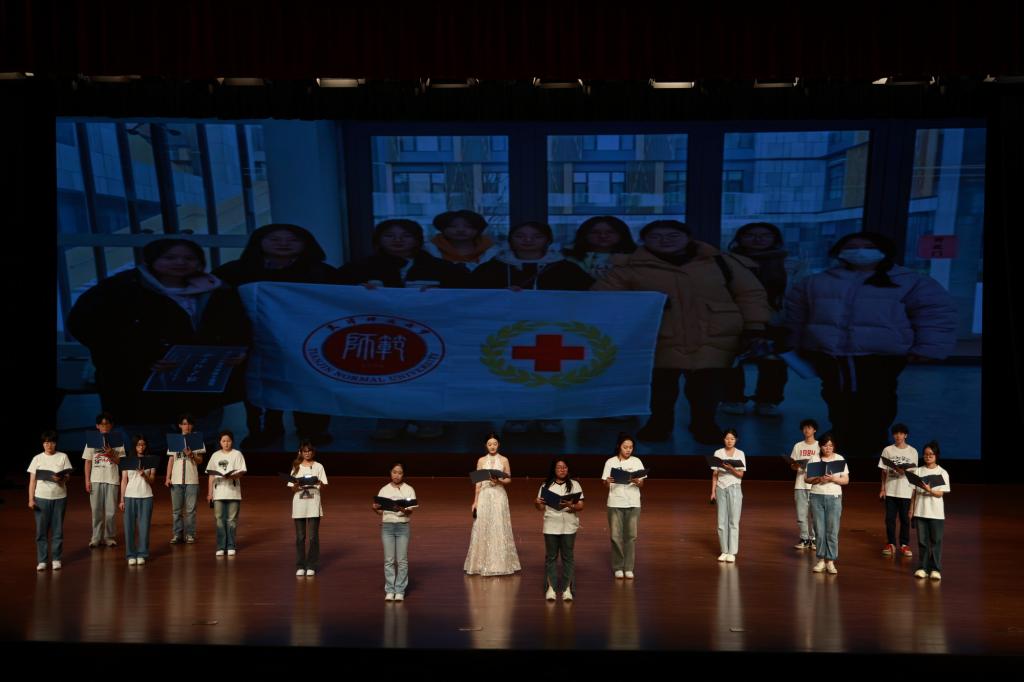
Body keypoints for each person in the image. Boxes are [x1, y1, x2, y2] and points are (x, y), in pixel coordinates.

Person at [593, 220, 771, 444]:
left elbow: (750, 294)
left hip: (714, 333)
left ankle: (705, 424)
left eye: (672, 235)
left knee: (707, 387)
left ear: (688, 238)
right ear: (644, 240)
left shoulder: (721, 261)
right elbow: (604, 298)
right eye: (656, 236)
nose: (664, 240)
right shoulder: (628, 266)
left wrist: (755, 325)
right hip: (658, 335)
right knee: (660, 388)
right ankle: (659, 423)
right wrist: (643, 302)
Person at [784, 231, 957, 458]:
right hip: (831, 353)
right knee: (837, 396)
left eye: (867, 246)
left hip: (881, 354)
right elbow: (795, 316)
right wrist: (792, 344)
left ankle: (869, 439)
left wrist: (928, 348)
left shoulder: (911, 281)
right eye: (851, 246)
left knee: (878, 397)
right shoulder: (816, 282)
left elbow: (934, 315)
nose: (859, 251)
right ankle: (846, 435)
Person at [67, 238, 250, 430]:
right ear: (151, 259)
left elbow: (238, 325)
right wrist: (141, 357)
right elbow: (87, 326)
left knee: (199, 433)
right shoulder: (119, 288)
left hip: (199, 378)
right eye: (170, 257)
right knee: (149, 436)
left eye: (189, 258)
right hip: (139, 380)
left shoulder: (216, 288)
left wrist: (238, 350)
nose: (180, 262)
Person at [337, 219, 468, 440]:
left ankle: (429, 418)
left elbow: (469, 293)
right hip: (381, 334)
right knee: (386, 376)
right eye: (389, 236)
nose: (397, 240)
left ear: (418, 239)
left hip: (432, 334)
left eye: (406, 236)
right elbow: (332, 291)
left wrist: (442, 293)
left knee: (429, 376)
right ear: (378, 240)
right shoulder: (358, 268)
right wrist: (355, 291)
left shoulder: (442, 267)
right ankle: (390, 418)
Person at [213, 223, 339, 448]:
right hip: (254, 339)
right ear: (259, 242)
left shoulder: (323, 272)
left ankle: (312, 430)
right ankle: (264, 430)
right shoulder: (234, 271)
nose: (283, 244)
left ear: (306, 244)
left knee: (310, 384)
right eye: (275, 239)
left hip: (307, 341)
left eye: (292, 240)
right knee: (260, 384)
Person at [471, 221, 594, 434]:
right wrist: (498, 294)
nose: (528, 240)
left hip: (554, 334)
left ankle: (550, 415)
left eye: (536, 236)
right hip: (506, 334)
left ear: (548, 240)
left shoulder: (567, 268)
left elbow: (591, 297)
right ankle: (516, 414)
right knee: (512, 374)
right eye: (520, 235)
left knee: (551, 375)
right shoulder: (492, 267)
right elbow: (470, 296)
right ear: (510, 239)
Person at [720, 222, 790, 417]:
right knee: (730, 361)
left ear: (775, 239)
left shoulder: (789, 263)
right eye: (751, 235)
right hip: (735, 317)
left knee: (774, 363)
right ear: (739, 239)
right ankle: (732, 398)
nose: (758, 239)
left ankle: (768, 400)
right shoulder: (725, 261)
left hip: (774, 320)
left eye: (765, 235)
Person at [464, 433, 521, 576]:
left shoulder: (504, 459)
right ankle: (480, 563)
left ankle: (500, 563)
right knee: (483, 525)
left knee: (499, 525)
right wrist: (475, 501)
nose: (492, 446)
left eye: (495, 444)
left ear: (498, 444)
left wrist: (499, 481)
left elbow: (509, 479)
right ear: (486, 446)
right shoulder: (481, 460)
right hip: (484, 495)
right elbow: (477, 482)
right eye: (489, 444)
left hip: (499, 495)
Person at [534, 458, 585, 601]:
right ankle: (551, 588)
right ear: (554, 469)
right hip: (551, 524)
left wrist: (570, 505)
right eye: (559, 467)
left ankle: (567, 589)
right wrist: (536, 502)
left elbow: (581, 506)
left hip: (569, 525)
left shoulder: (575, 484)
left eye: (564, 467)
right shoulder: (546, 485)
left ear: (568, 469)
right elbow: (540, 507)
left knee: (568, 557)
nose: (562, 470)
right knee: (551, 557)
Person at [602, 433, 646, 579]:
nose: (628, 450)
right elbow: (604, 483)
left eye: (630, 447)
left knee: (631, 536)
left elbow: (642, 483)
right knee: (615, 536)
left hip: (633, 502)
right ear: (619, 447)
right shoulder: (610, 462)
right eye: (625, 447)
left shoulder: (637, 461)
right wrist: (608, 481)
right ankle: (618, 567)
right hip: (615, 502)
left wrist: (637, 481)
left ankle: (628, 567)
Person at [805, 432, 849, 574]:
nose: (828, 448)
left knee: (832, 530)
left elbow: (846, 480)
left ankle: (830, 561)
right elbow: (807, 479)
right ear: (820, 446)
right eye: (825, 446)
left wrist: (833, 479)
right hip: (816, 496)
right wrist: (819, 479)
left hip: (834, 497)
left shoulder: (839, 459)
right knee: (819, 529)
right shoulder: (814, 459)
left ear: (834, 446)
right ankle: (820, 560)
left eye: (830, 446)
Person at [27, 431, 72, 571]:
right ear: (43, 444)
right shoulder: (37, 459)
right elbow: (32, 481)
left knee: (57, 530)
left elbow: (68, 477)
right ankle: (42, 560)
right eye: (46, 442)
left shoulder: (63, 456)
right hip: (41, 497)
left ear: (55, 443)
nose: (49, 445)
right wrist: (31, 499)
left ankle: (56, 559)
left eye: (51, 442)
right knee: (41, 531)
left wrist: (62, 478)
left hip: (59, 497)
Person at [373, 463, 417, 601]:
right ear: (390, 473)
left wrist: (402, 509)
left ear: (403, 474)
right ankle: (390, 590)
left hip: (402, 526)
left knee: (402, 560)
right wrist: (375, 508)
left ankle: (400, 590)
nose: (396, 475)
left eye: (400, 473)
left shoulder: (409, 489)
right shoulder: (384, 490)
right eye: (394, 472)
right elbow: (380, 511)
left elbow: (410, 511)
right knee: (389, 560)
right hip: (388, 527)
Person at [82, 412, 125, 548]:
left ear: (111, 425)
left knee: (111, 512)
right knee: (96, 511)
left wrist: (111, 453)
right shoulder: (91, 441)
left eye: (107, 424)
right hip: (95, 479)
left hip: (112, 479)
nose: (104, 426)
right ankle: (96, 537)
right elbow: (88, 462)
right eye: (102, 424)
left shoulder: (117, 441)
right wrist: (87, 480)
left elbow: (120, 462)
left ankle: (109, 537)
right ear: (97, 426)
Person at [909, 441, 950, 581]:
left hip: (936, 513)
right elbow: (914, 492)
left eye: (931, 454)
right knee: (922, 542)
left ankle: (935, 569)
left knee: (936, 541)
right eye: (926, 454)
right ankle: (923, 568)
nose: (928, 457)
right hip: (920, 511)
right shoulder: (918, 471)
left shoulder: (942, 472)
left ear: (936, 456)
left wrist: (929, 490)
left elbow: (940, 494)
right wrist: (911, 509)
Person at [878, 423, 919, 558]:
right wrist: (882, 488)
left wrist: (904, 472)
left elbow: (914, 473)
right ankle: (891, 543)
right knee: (889, 519)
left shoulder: (913, 451)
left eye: (901, 433)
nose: (898, 436)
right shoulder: (888, 450)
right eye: (896, 433)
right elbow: (884, 471)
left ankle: (904, 544)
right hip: (891, 490)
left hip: (906, 491)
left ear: (906, 435)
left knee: (905, 520)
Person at [289, 440, 328, 577]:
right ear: (301, 452)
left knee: (313, 537)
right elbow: (292, 488)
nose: (307, 453)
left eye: (309, 451)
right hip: (299, 505)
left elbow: (324, 485)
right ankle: (300, 565)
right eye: (304, 451)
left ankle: (311, 565)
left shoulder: (319, 466)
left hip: (313, 505)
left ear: (313, 452)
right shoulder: (296, 467)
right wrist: (297, 484)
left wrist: (318, 482)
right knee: (300, 537)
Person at [165, 413, 205, 544]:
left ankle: (190, 534)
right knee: (176, 511)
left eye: (189, 424)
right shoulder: (174, 440)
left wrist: (192, 455)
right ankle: (177, 534)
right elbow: (171, 460)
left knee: (190, 510)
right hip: (176, 480)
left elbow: (200, 460)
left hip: (191, 480)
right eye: (184, 424)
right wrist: (168, 477)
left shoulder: (197, 440)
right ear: (180, 425)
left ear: (192, 426)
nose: (187, 426)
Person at [205, 430, 247, 557]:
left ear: (232, 441)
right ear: (220, 442)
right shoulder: (215, 455)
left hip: (233, 492)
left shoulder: (237, 454)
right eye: (223, 441)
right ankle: (220, 546)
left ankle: (231, 546)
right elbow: (211, 475)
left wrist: (232, 476)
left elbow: (242, 471)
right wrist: (210, 493)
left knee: (232, 521)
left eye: (228, 441)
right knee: (219, 520)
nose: (226, 443)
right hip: (219, 493)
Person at [119, 434, 156, 565]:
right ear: (135, 446)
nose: (141, 447)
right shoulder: (127, 461)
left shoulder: (150, 460)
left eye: (143, 444)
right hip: (130, 496)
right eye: (139, 445)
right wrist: (122, 499)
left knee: (144, 527)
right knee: (129, 527)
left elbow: (152, 480)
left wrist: (144, 475)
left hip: (146, 496)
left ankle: (142, 553)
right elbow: (124, 480)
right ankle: (130, 554)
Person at [564, 215, 637, 281]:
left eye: (610, 232)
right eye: (595, 232)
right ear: (584, 235)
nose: (603, 236)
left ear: (622, 234)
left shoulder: (635, 257)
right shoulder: (568, 258)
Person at [710, 428, 745, 562]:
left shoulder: (740, 453)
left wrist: (731, 468)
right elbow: (715, 474)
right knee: (721, 522)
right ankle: (724, 550)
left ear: (736, 440)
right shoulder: (718, 453)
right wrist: (713, 491)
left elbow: (741, 474)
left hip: (734, 487)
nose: (729, 441)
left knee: (733, 521)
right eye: (727, 438)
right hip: (720, 488)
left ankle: (732, 552)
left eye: (732, 439)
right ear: (723, 439)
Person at [423, 210, 500, 270]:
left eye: (468, 226)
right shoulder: (428, 250)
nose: (461, 230)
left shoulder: (495, 251)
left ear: (478, 229)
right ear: (442, 229)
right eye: (453, 226)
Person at [789, 418, 820, 550]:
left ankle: (814, 539)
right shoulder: (798, 446)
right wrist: (795, 465)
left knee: (815, 514)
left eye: (809, 427)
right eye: (804, 428)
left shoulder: (819, 446)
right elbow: (792, 465)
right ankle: (804, 538)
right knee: (801, 514)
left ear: (814, 430)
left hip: (815, 484)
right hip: (800, 484)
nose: (806, 430)